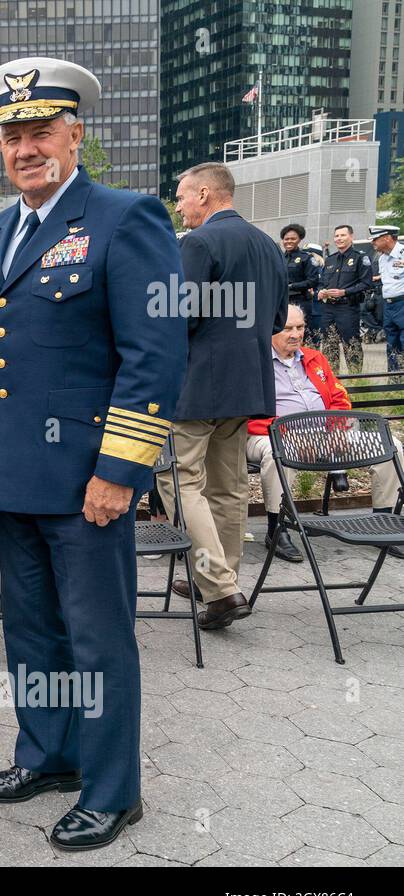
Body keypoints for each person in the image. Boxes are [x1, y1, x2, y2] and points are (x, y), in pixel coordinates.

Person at [0, 58, 185, 850]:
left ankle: (112, 788)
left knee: (96, 639)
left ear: (75, 134)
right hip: (16, 479)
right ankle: (49, 753)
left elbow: (154, 356)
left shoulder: (126, 218)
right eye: (12, 135)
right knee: (31, 633)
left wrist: (119, 471)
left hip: (88, 479)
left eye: (39, 132)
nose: (26, 147)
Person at [161, 161, 285, 630]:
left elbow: (180, 316)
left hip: (199, 384)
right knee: (229, 486)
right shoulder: (268, 244)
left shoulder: (198, 242)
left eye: (182, 195)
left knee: (181, 480)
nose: (178, 204)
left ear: (206, 194)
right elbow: (276, 321)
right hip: (247, 383)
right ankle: (220, 578)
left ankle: (219, 587)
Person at [248, 303, 404, 563]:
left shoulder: (314, 358)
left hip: (325, 433)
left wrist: (339, 429)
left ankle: (383, 521)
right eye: (287, 329)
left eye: (300, 327)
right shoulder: (254, 362)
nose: (296, 334)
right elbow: (247, 415)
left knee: (390, 446)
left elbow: (339, 399)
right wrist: (292, 435)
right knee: (277, 452)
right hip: (270, 434)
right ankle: (277, 528)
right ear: (270, 329)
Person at [317, 224, 373, 374]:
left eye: (343, 235)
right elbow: (321, 282)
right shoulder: (330, 260)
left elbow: (367, 283)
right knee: (329, 346)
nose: (339, 238)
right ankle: (332, 380)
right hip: (329, 309)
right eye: (336, 236)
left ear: (351, 237)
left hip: (348, 308)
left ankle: (356, 379)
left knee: (351, 345)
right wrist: (320, 291)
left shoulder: (360, 257)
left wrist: (344, 292)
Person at [370, 225, 404, 373]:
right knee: (391, 343)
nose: (373, 243)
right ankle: (394, 378)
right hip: (389, 305)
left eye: (375, 239)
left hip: (402, 302)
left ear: (387, 238)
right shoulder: (382, 258)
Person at [281, 224, 319, 340]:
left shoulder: (306, 258)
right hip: (283, 302)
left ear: (300, 239)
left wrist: (292, 286)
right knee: (284, 332)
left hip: (301, 301)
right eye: (286, 239)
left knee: (303, 334)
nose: (289, 241)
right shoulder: (279, 257)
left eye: (293, 239)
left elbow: (313, 281)